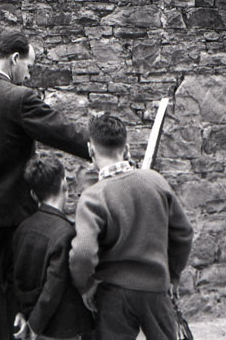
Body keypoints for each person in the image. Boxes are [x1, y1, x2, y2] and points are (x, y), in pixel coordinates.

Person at [0, 29, 91, 339]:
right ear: (15, 58)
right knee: (17, 294)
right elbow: (61, 130)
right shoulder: (18, 97)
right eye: (29, 65)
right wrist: (101, 148)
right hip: (12, 216)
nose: (28, 74)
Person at [69, 114, 194, 340]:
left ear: (90, 150)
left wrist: (86, 286)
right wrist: (173, 276)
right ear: (126, 149)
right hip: (156, 290)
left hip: (113, 294)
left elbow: (83, 253)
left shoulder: (92, 197)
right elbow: (183, 233)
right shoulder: (156, 181)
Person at [12, 155, 94, 340]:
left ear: (33, 195)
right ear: (64, 184)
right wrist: (34, 326)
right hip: (58, 328)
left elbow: (14, 279)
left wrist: (22, 315)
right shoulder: (66, 233)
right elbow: (53, 287)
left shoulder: (22, 229)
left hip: (29, 320)